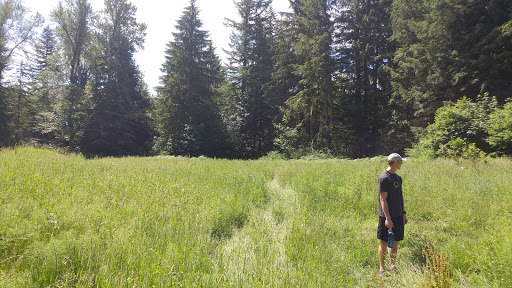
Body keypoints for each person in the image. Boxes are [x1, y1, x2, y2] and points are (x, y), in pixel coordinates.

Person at [377, 153, 408, 276]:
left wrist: (403, 213)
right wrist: (388, 219)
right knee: (384, 241)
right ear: (395, 162)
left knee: (395, 241)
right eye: (401, 161)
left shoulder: (398, 178)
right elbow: (383, 199)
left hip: (398, 215)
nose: (401, 163)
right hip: (386, 216)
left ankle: (392, 265)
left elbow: (400, 197)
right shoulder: (384, 178)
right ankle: (382, 268)